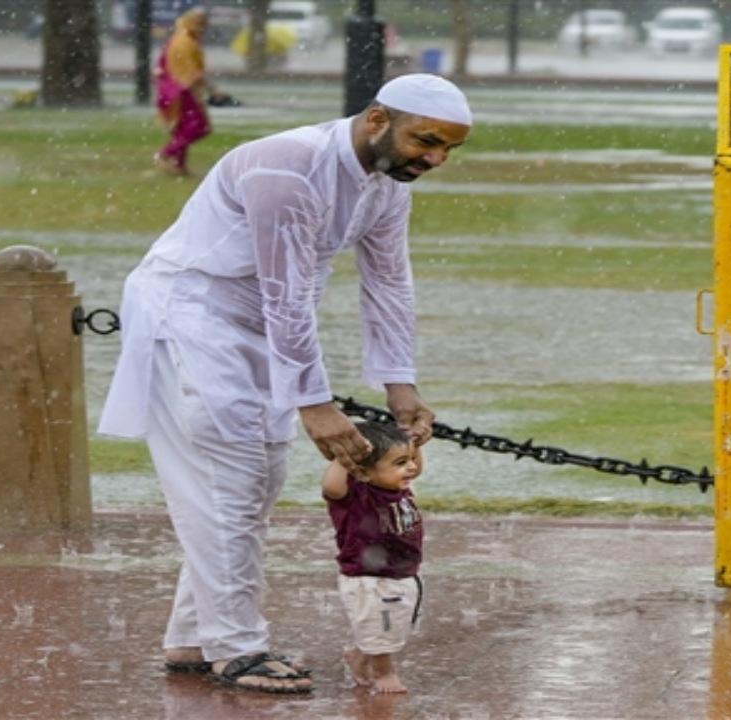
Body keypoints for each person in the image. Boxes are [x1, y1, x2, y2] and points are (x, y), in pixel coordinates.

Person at [98, 73, 472, 694]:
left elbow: (389, 283)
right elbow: (287, 291)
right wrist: (316, 403)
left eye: (447, 149)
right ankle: (236, 649)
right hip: (193, 316)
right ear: (378, 119)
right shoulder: (289, 166)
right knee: (230, 481)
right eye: (426, 140)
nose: (434, 159)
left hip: (259, 330)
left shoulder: (385, 186)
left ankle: (195, 635)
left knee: (250, 483)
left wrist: (399, 384)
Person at [322, 421, 425, 694]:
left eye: (411, 460)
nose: (412, 468)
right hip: (370, 577)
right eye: (401, 462)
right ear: (363, 471)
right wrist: (346, 459)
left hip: (400, 572)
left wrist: (416, 447)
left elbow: (415, 467)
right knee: (383, 626)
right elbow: (332, 487)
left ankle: (361, 654)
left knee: (389, 625)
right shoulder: (357, 495)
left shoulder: (396, 488)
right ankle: (384, 672)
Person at [154, 8, 214, 176]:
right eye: (199, 24)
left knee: (183, 129)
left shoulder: (182, 39)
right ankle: (166, 153)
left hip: (176, 89)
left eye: (203, 25)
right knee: (199, 126)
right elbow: (190, 72)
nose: (202, 28)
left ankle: (179, 165)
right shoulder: (184, 42)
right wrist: (212, 89)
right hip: (180, 91)